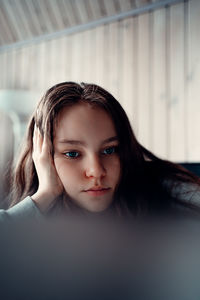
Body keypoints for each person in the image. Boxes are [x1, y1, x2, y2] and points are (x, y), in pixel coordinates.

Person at [1, 81, 200, 221]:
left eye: (109, 150)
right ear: (43, 158)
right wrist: (45, 195)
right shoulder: (31, 224)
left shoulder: (171, 192)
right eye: (72, 154)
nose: (96, 171)